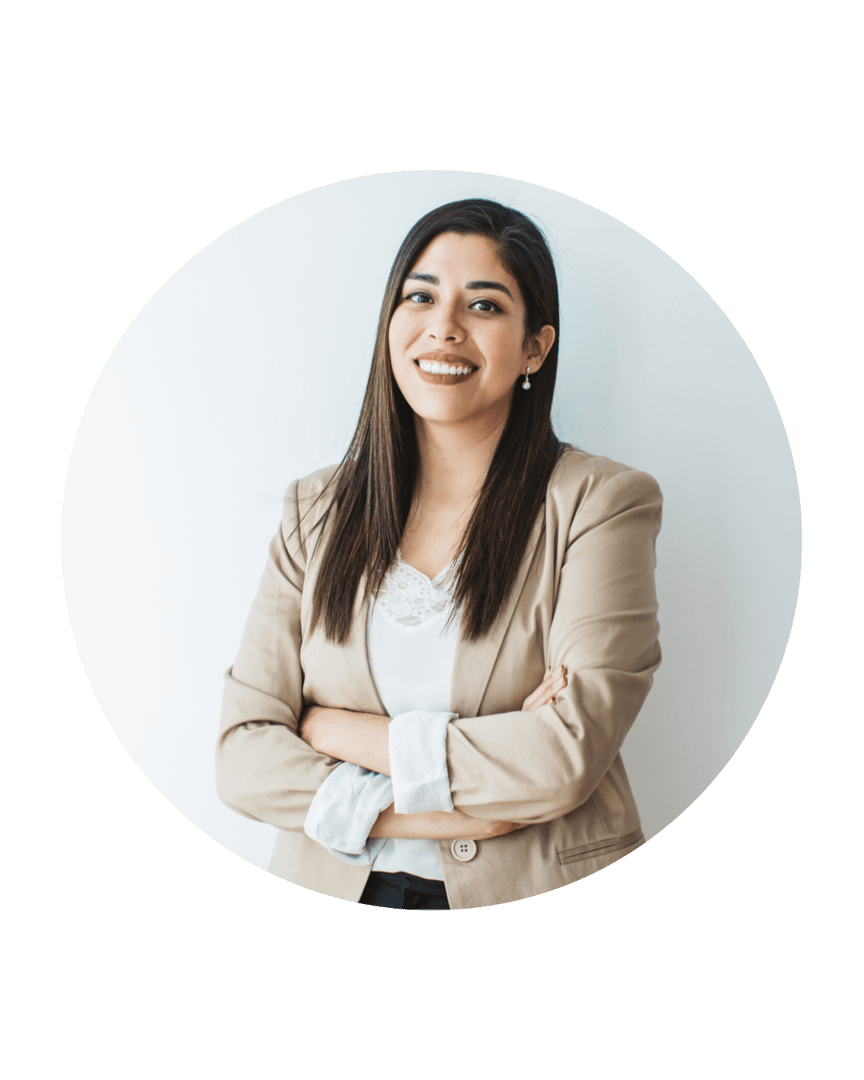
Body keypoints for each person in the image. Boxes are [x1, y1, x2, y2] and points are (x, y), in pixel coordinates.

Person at [217, 198, 662, 910]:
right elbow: (242, 756)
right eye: (419, 296)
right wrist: (420, 813)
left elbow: (564, 756)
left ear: (535, 348)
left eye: (484, 306)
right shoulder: (315, 510)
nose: (444, 326)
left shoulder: (600, 504)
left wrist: (333, 729)